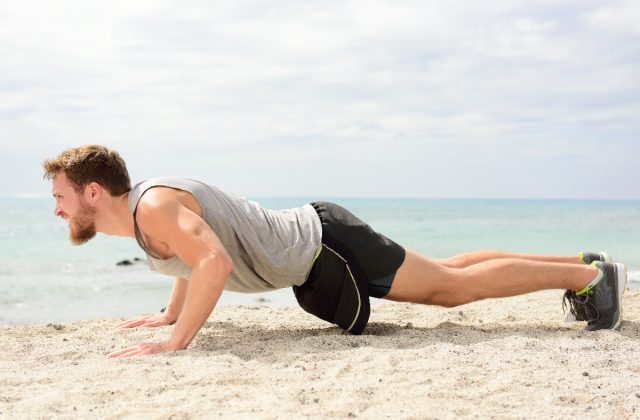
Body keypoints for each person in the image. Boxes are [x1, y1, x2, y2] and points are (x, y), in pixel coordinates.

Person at [42, 145, 627, 358]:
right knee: (448, 271)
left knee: (452, 291)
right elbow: (192, 258)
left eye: (63, 197)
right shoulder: (149, 215)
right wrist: (172, 312)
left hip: (327, 245)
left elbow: (213, 264)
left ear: (94, 191)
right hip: (321, 237)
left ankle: (586, 278)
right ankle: (584, 265)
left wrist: (176, 342)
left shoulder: (153, 208)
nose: (59, 210)